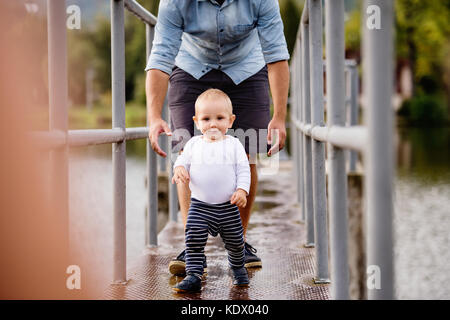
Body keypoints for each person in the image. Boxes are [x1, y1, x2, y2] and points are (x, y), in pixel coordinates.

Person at [145, 0, 290, 275]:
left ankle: (240, 242)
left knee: (248, 151)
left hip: (246, 67)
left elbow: (276, 56)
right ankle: (192, 246)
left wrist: (280, 116)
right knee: (187, 152)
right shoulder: (175, 3)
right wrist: (154, 117)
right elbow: (160, 58)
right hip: (191, 66)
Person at [172, 89, 250, 292]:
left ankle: (238, 268)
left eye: (220, 118)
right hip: (199, 206)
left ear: (230, 121)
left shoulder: (234, 145)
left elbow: (243, 169)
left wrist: (242, 190)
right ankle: (194, 274)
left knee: (235, 242)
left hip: (227, 206)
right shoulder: (192, 144)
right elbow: (181, 160)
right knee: (193, 240)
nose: (213, 124)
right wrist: (179, 168)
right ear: (197, 121)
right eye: (206, 119)